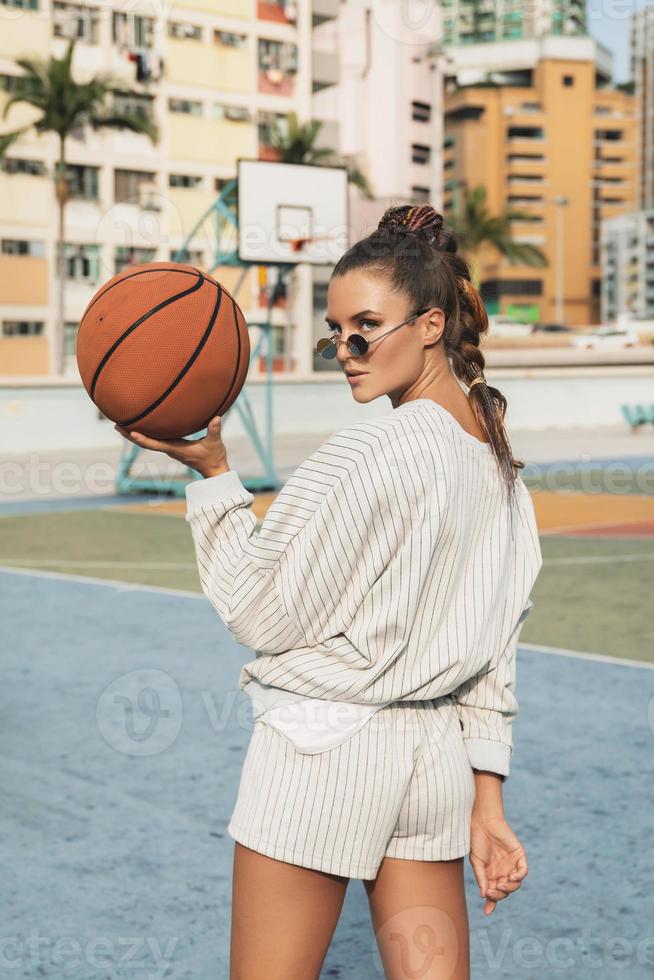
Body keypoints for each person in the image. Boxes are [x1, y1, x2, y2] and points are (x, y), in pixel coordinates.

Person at [115, 203, 543, 980]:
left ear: (430, 324)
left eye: (364, 329)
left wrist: (214, 476)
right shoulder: (500, 463)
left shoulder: (370, 448)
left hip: (320, 750)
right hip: (435, 763)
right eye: (333, 333)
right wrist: (489, 801)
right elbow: (496, 657)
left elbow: (258, 610)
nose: (344, 351)